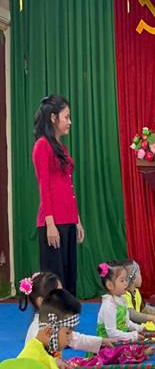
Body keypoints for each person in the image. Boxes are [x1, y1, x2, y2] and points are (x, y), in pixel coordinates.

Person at [19, 272, 116, 369]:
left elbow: (75, 338)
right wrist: (55, 363)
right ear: (41, 302)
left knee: (89, 364)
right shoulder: (37, 329)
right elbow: (36, 360)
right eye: (58, 294)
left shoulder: (58, 323)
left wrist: (102, 341)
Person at [32, 95, 85, 296]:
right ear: (53, 118)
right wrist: (50, 224)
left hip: (68, 220)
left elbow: (67, 185)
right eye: (66, 117)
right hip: (53, 222)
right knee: (55, 281)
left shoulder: (61, 147)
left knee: (70, 277)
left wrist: (76, 219)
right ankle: (52, 316)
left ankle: (68, 317)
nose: (70, 122)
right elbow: (44, 187)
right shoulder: (42, 146)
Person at [96, 262, 155, 360]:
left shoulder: (122, 299)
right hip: (109, 343)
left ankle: (140, 352)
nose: (126, 283)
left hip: (119, 338)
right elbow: (111, 333)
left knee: (140, 341)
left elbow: (127, 323)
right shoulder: (109, 305)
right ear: (110, 285)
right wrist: (133, 335)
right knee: (125, 351)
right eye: (122, 280)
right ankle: (140, 354)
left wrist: (139, 328)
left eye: (126, 280)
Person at [120, 260, 155, 326]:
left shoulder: (136, 291)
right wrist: (151, 318)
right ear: (134, 278)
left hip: (135, 327)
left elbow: (143, 308)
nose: (141, 276)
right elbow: (132, 314)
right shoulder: (124, 295)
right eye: (139, 273)